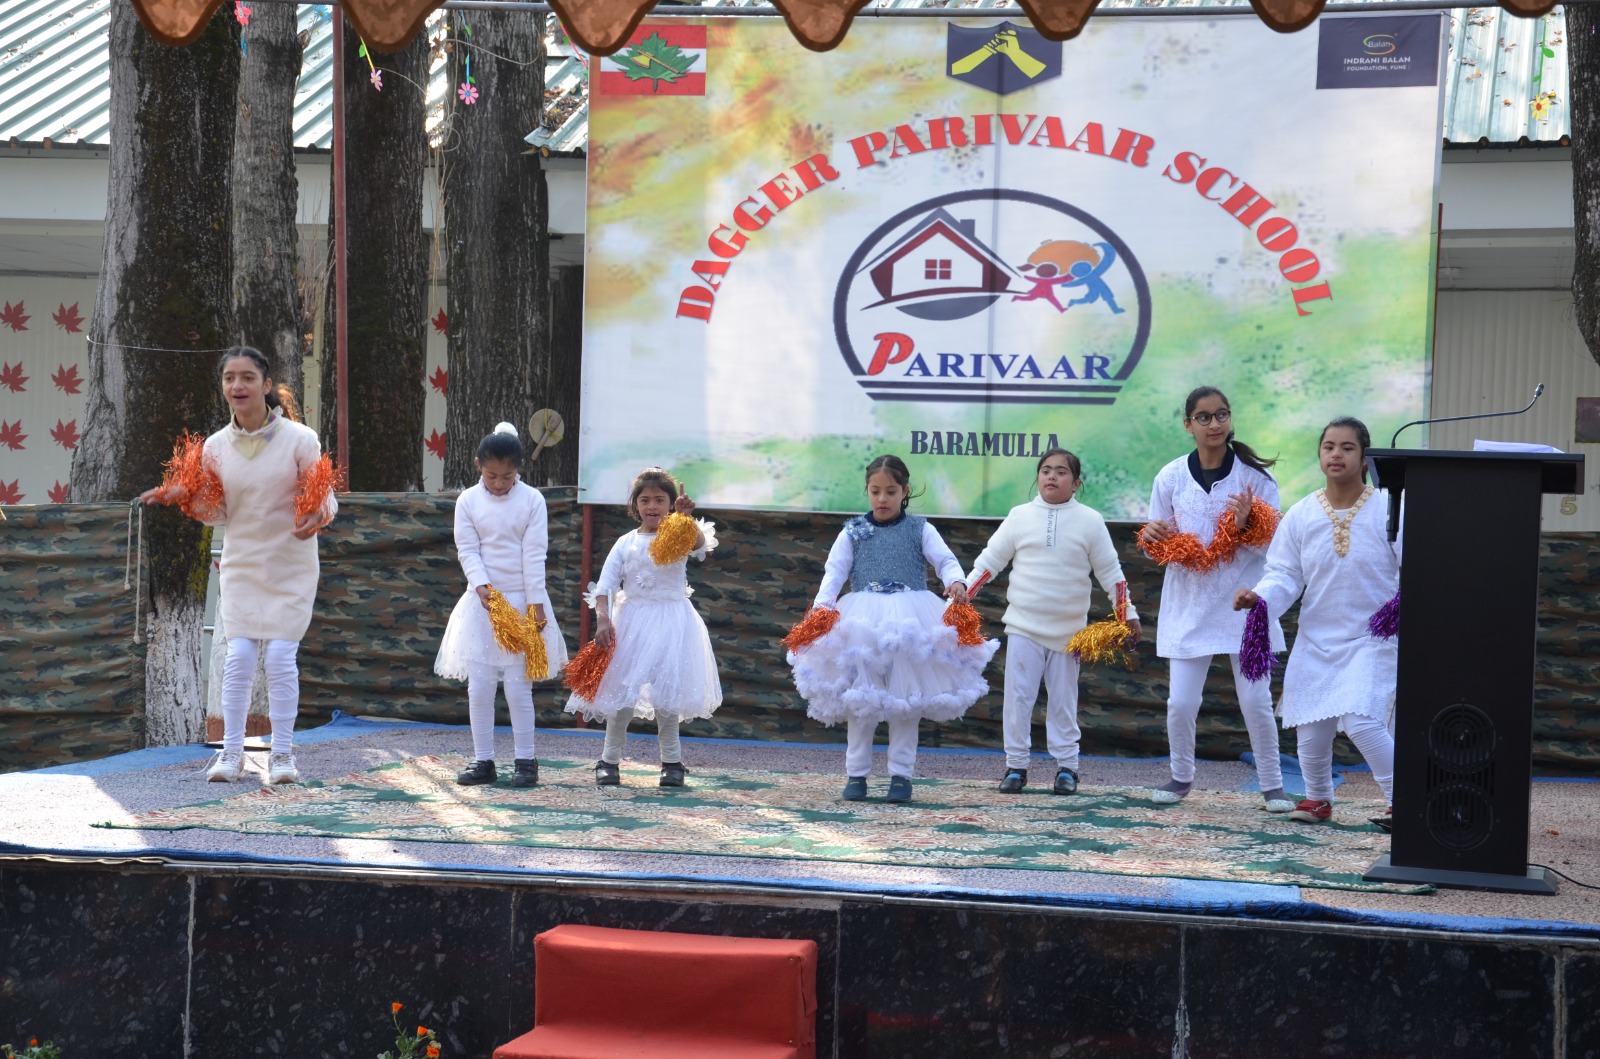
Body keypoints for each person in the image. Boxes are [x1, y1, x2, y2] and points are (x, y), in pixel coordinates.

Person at [140, 345, 336, 784]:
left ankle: (282, 755)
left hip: (290, 566)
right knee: (239, 656)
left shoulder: (301, 440)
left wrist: (317, 514)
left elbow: (326, 499)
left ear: (266, 385)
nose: (238, 385)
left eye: (248, 377)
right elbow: (218, 513)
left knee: (280, 657)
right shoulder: (213, 448)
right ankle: (231, 755)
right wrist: (183, 495)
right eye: (230, 378)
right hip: (241, 563)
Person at [788, 455, 997, 802]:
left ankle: (901, 775)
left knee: (906, 700)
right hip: (863, 622)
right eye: (875, 491)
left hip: (910, 621)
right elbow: (835, 571)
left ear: (905, 491)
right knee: (861, 698)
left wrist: (956, 580)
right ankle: (857, 774)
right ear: (867, 491)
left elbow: (945, 560)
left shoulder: (920, 529)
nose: (882, 498)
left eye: (890, 491)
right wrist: (824, 607)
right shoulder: (853, 531)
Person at [1233, 417, 1400, 825]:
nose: (1336, 454)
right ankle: (1318, 798)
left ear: (1365, 459)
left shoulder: (1390, 506)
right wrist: (1260, 597)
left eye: (1347, 447)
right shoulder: (1302, 513)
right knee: (1310, 728)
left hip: (1373, 636)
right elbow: (1284, 574)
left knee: (1362, 721)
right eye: (1329, 447)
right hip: (1317, 638)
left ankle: (1406, 800)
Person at [1140, 386, 1292, 811]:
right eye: (1203, 417)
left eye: (1221, 414)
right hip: (1189, 605)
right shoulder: (1170, 477)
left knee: (1256, 701)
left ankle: (1273, 785)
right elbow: (1158, 542)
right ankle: (1180, 777)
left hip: (1243, 603)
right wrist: (1151, 536)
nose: (1214, 424)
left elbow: (1277, 551)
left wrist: (1247, 526)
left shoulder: (1256, 479)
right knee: (1181, 703)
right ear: (1187, 425)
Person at [966, 448, 1140, 795]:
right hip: (1023, 627)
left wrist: (1128, 614)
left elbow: (1111, 573)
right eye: (1046, 470)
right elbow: (989, 562)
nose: (1052, 477)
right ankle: (1016, 766)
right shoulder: (1019, 516)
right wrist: (960, 599)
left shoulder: (1091, 521)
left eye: (1061, 472)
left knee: (1063, 702)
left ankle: (1067, 768)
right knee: (1018, 699)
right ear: (1038, 477)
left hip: (1069, 633)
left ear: (1075, 483)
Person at [565, 468, 721, 787]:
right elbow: (605, 586)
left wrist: (685, 518)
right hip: (631, 623)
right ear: (635, 504)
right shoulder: (626, 543)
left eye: (660, 500)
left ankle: (672, 763)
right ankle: (609, 760)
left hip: (673, 622)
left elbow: (699, 544)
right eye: (645, 499)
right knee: (622, 696)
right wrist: (604, 619)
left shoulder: (679, 532)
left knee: (667, 696)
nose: (652, 506)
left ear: (670, 503)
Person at [434, 422, 568, 788]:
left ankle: (525, 759)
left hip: (523, 601)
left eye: (507, 477)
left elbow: (534, 554)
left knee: (517, 688)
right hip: (483, 603)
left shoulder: (532, 500)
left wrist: (535, 603)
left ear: (518, 470)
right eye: (491, 475)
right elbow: (467, 549)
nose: (498, 483)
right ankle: (483, 760)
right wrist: (481, 587)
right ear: (478, 465)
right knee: (479, 687)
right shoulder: (467, 501)